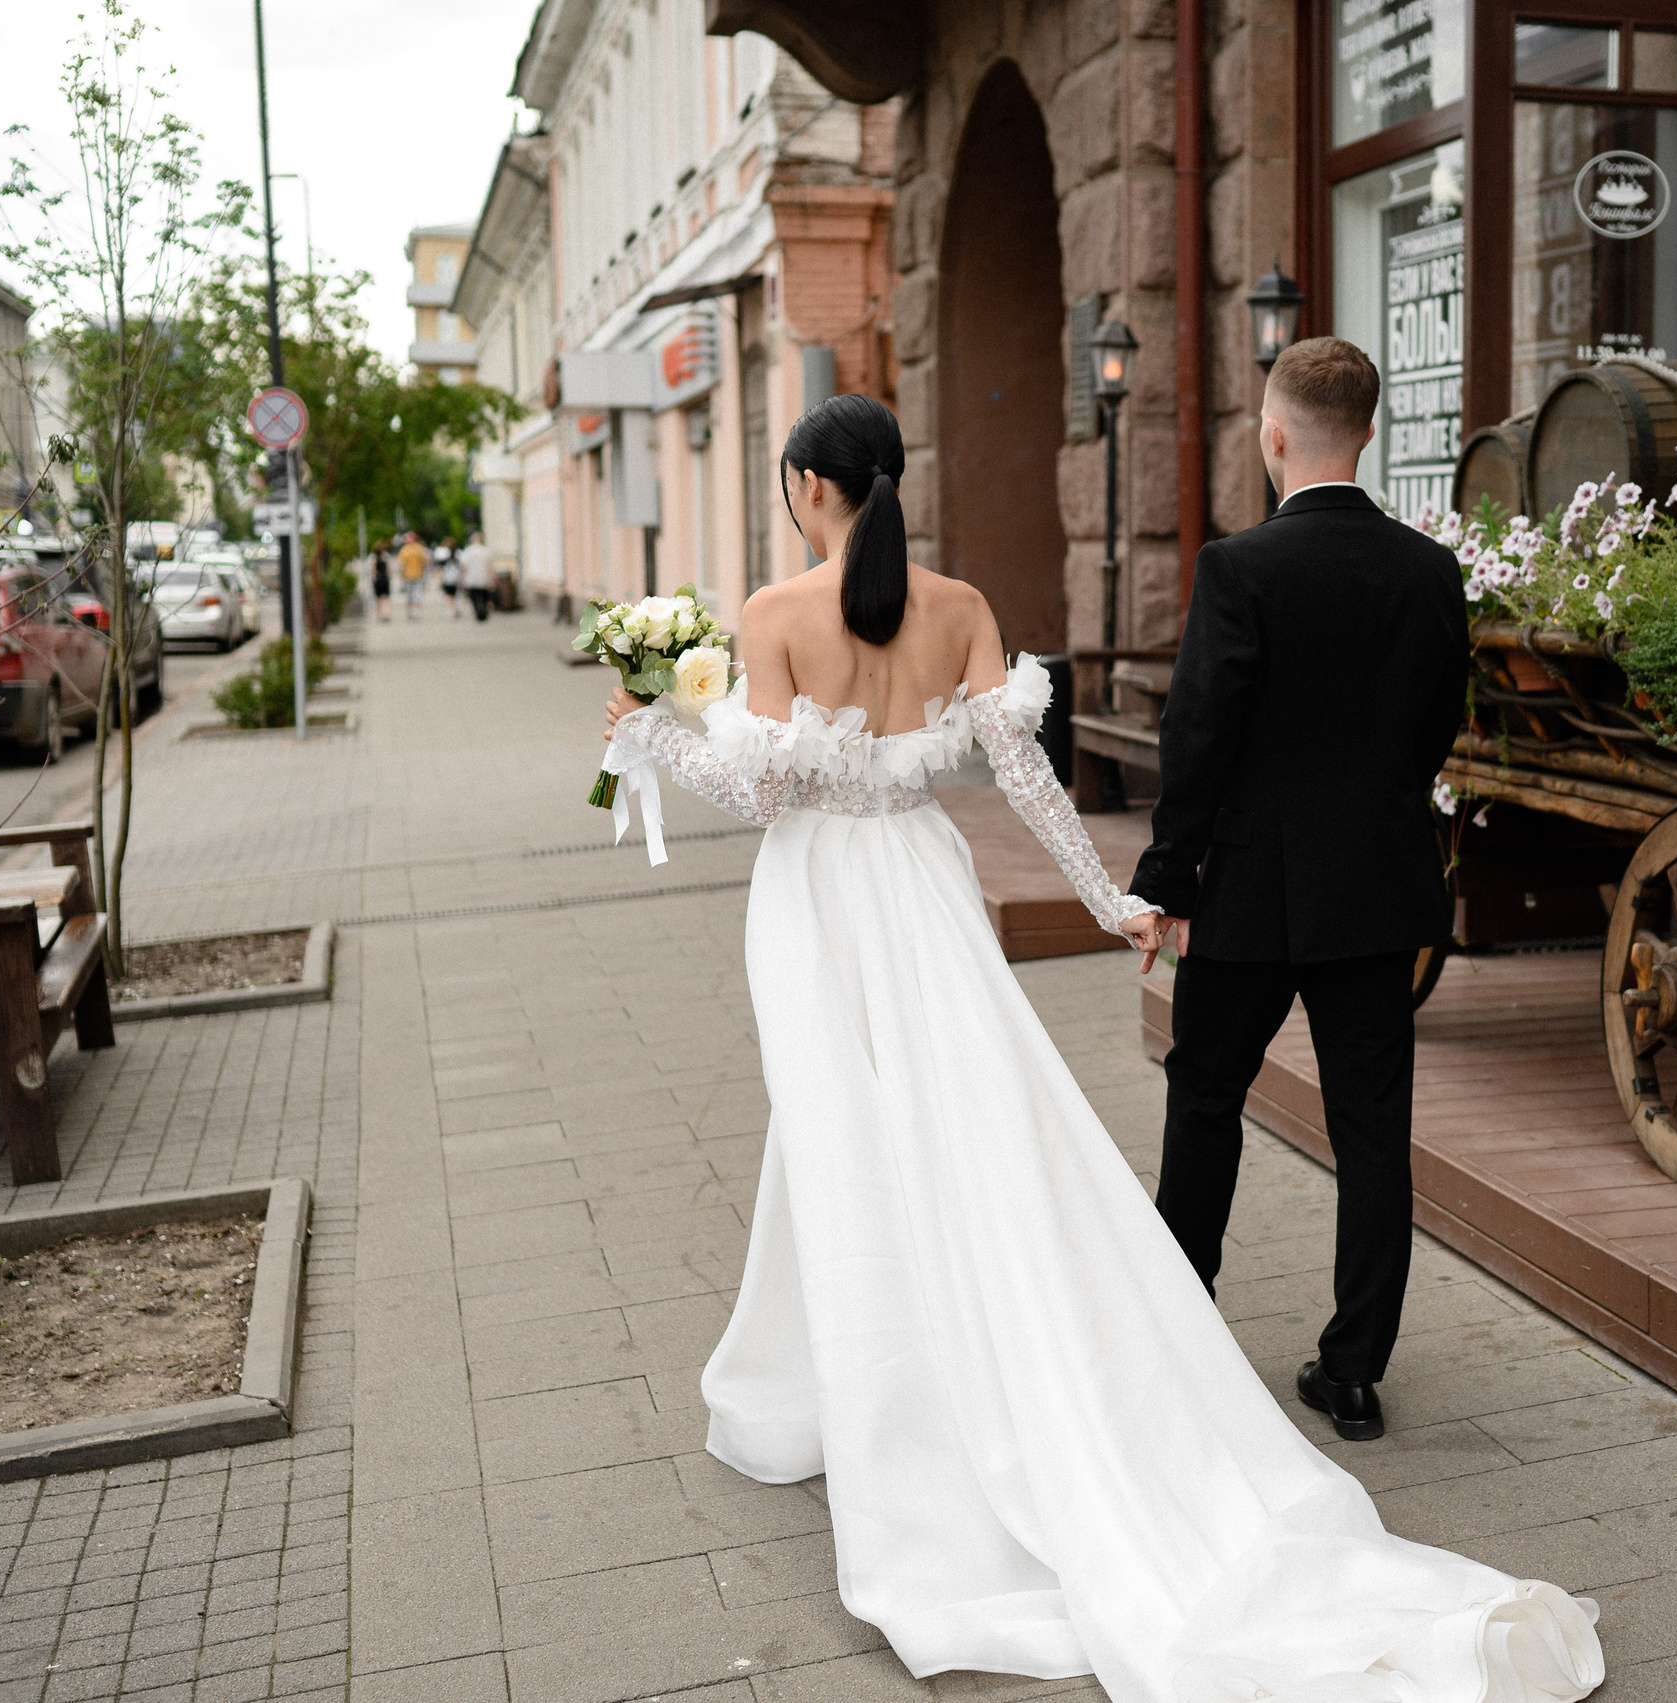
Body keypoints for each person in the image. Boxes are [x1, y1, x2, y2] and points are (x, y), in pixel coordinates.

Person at [598, 391, 1601, 1703]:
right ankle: (827, 1373)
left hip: (818, 904)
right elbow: (1027, 777)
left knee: (842, 1128)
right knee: (948, 1122)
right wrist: (1109, 896)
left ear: (806, 485)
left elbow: (766, 789)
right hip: (926, 890)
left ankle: (887, 1402)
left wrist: (653, 728)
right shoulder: (960, 605)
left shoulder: (775, 612)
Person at [1131, 338, 1470, 1446]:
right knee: (1372, 1131)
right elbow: (1436, 726)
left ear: (1272, 435)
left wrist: (1166, 880)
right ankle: (1354, 1372)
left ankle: (1180, 1337)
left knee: (1205, 1096)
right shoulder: (1430, 571)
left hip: (1247, 893)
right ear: (1367, 433)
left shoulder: (1239, 569)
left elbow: (1197, 737)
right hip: (1375, 889)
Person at [459, 531, 494, 622]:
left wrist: (462, 578)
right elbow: (490, 566)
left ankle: (478, 612)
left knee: (474, 597)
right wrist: (492, 578)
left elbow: (463, 566)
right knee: (484, 596)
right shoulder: (486, 550)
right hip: (484, 577)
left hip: (472, 578)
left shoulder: (468, 551)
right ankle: (484, 611)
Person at [396, 532, 428, 619]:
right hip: (408, 576)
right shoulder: (405, 549)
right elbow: (400, 562)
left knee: (417, 594)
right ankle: (411, 611)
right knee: (409, 595)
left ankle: (416, 611)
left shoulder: (418, 548)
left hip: (417, 575)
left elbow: (425, 561)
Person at [436, 536, 461, 617]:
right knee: (456, 594)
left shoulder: (443, 553)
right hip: (456, 576)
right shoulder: (458, 553)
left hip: (448, 577)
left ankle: (451, 609)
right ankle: (456, 608)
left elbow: (440, 565)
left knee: (450, 594)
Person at [370, 544, 393, 623]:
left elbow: (373, 571)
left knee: (378, 598)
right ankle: (386, 613)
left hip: (378, 580)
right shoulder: (386, 558)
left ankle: (378, 614)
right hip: (385, 580)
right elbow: (388, 570)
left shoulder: (373, 559)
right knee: (385, 598)